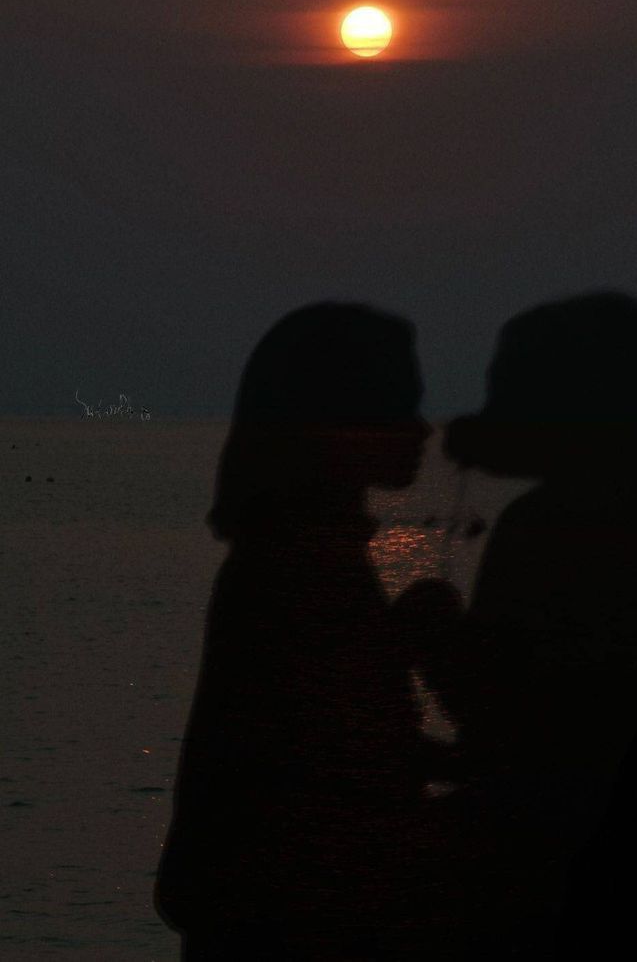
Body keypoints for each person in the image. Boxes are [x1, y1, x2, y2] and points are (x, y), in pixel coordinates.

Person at [411, 291, 637, 959]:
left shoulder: (549, 530)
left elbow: (504, 726)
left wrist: (428, 624)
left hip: (570, 883)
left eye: (509, 389)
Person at [155, 303, 433, 960]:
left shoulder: (290, 557)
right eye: (398, 408)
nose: (421, 430)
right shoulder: (302, 570)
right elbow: (328, 770)